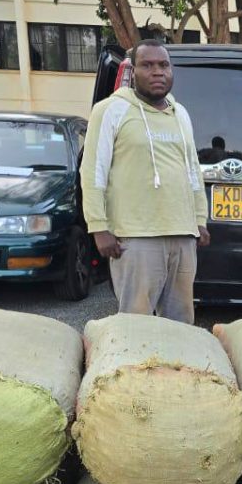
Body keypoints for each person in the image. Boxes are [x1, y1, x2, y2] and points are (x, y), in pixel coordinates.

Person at [80, 38, 210, 321]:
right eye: (147, 65)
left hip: (182, 234)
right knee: (136, 322)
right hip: (135, 237)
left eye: (164, 65)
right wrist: (99, 226)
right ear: (133, 72)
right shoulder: (111, 110)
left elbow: (192, 170)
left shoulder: (181, 114)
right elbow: (92, 171)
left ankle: (178, 367)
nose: (157, 72)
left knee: (182, 322)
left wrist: (200, 218)